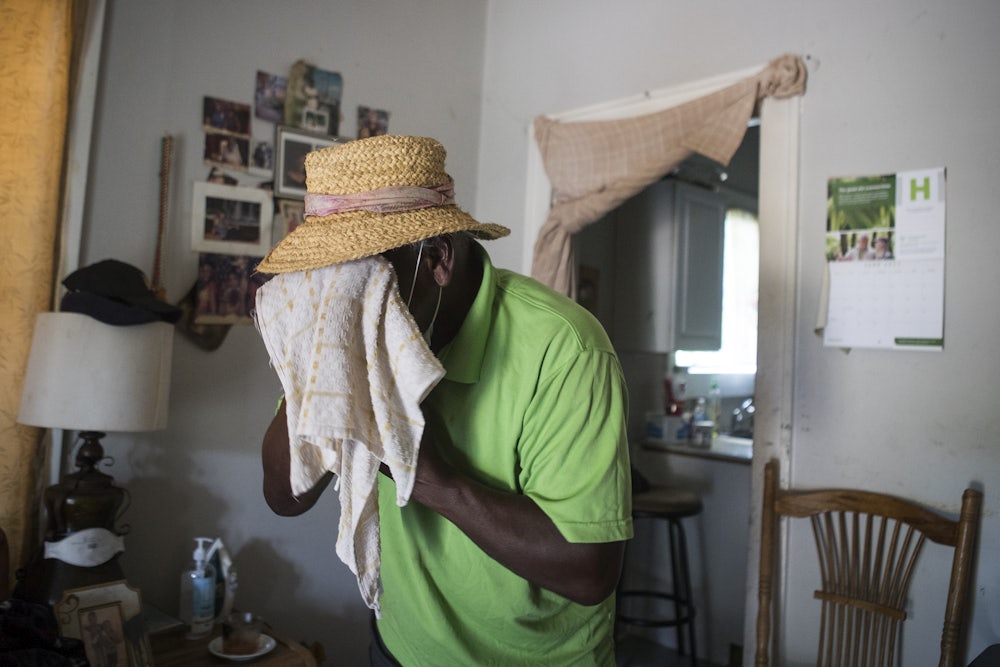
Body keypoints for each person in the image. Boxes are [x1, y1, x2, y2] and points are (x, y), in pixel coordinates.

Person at [255, 135, 632, 665]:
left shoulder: (565, 349)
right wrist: (315, 365)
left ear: (436, 259)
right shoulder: (345, 333)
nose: (346, 310)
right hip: (399, 647)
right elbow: (284, 496)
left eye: (362, 289)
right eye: (327, 287)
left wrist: (425, 473)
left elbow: (589, 572)